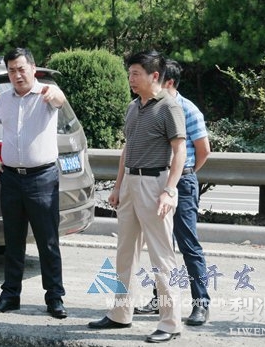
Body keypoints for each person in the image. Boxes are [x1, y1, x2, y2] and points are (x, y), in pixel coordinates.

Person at [88, 50, 186, 344]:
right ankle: (120, 314)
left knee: (161, 257)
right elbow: (127, 149)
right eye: (129, 73)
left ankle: (170, 323)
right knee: (125, 252)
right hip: (130, 183)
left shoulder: (169, 107)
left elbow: (180, 151)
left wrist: (169, 190)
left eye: (136, 74)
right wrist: (118, 187)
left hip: (155, 185)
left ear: (154, 75)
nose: (130, 79)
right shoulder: (133, 107)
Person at [0, 47, 68, 320]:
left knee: (47, 241)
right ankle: (10, 295)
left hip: (42, 178)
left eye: (21, 69)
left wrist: (54, 95)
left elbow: (60, 100)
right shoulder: (3, 99)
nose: (17, 75)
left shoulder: (46, 93)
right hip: (11, 178)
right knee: (13, 240)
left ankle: (54, 297)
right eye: (11, 71)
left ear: (32, 67)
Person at [133, 59, 212, 326]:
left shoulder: (188, 109)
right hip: (157, 181)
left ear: (168, 82)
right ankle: (160, 300)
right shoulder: (151, 107)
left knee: (188, 244)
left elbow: (203, 150)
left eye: (157, 79)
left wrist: (185, 174)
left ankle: (201, 304)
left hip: (182, 182)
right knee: (161, 246)